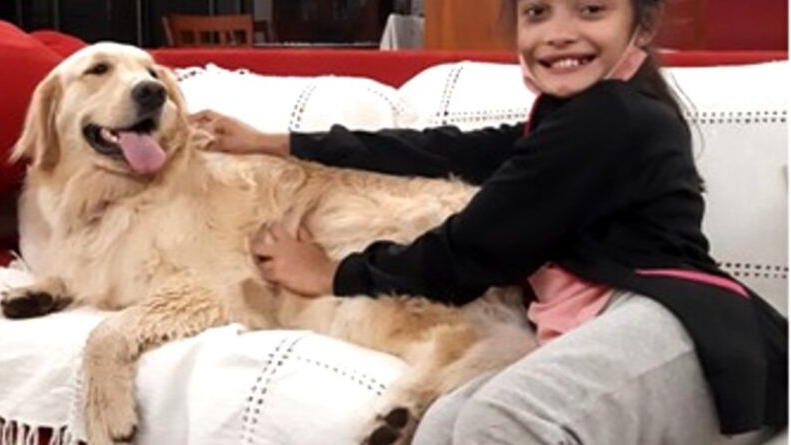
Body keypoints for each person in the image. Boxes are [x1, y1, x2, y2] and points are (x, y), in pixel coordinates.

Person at [191, 0, 788, 443]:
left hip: (683, 326)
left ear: (643, 24)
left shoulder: (612, 118)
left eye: (591, 9)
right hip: (596, 326)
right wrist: (279, 141)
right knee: (441, 426)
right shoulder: (564, 119)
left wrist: (330, 274)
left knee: (497, 423)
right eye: (537, 12)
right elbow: (437, 148)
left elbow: (470, 253)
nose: (559, 32)